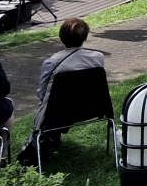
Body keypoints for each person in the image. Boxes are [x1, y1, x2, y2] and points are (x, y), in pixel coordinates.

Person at [18, 17, 107, 166]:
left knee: (47, 108)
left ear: (61, 38)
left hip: (57, 111)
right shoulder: (98, 58)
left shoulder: (51, 62)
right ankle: (52, 138)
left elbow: (41, 93)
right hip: (91, 108)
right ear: (85, 37)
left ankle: (44, 141)